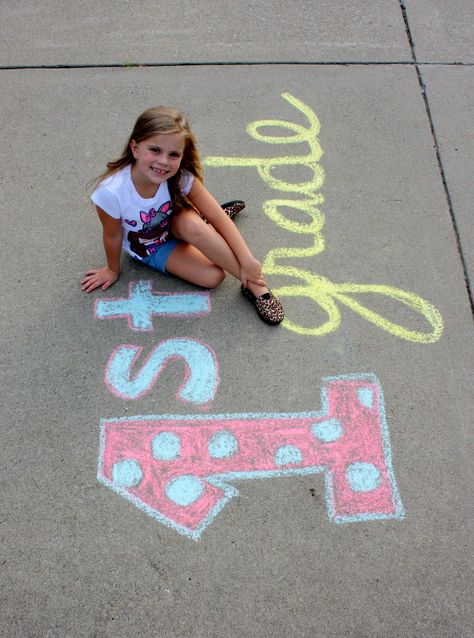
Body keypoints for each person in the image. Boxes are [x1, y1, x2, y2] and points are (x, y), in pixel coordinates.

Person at [81, 106, 284, 325]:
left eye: (173, 155)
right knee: (214, 277)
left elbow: (217, 215)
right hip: (151, 246)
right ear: (135, 147)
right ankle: (206, 231)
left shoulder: (181, 176)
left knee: (194, 226)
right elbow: (112, 236)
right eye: (155, 150)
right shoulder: (110, 192)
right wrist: (112, 269)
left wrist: (248, 261)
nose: (163, 162)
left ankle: (255, 286)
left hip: (179, 222)